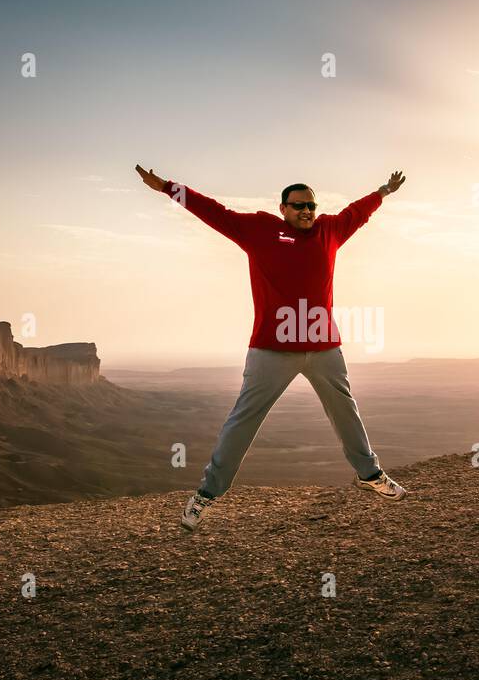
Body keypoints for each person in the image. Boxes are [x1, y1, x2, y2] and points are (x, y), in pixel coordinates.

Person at [134, 164, 408, 530]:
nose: (306, 211)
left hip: (324, 347)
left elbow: (355, 213)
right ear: (283, 208)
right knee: (243, 422)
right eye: (298, 206)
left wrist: (383, 193)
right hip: (271, 349)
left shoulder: (330, 231)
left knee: (346, 411)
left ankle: (369, 475)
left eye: (311, 205)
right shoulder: (260, 230)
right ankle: (206, 495)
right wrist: (168, 187)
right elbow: (214, 212)